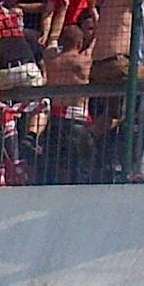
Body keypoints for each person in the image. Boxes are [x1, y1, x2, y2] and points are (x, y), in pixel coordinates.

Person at [38, 25, 95, 184]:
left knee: (50, 168)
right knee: (81, 170)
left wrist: (61, 12)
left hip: (55, 121)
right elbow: (98, 38)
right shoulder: (84, 60)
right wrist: (93, 11)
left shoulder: (51, 60)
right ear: (79, 43)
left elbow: (51, 41)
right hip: (77, 119)